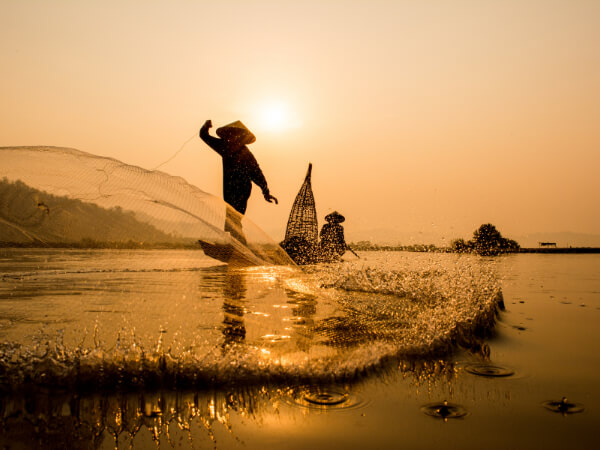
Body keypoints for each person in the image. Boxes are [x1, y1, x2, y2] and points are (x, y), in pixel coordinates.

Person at [200, 120, 278, 243]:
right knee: (231, 220)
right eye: (231, 134)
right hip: (230, 189)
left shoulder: (243, 152)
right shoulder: (225, 146)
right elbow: (205, 136)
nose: (232, 137)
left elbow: (256, 172)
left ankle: (240, 247)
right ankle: (236, 246)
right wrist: (205, 127)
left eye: (235, 135)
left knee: (234, 219)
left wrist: (265, 191)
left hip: (242, 189)